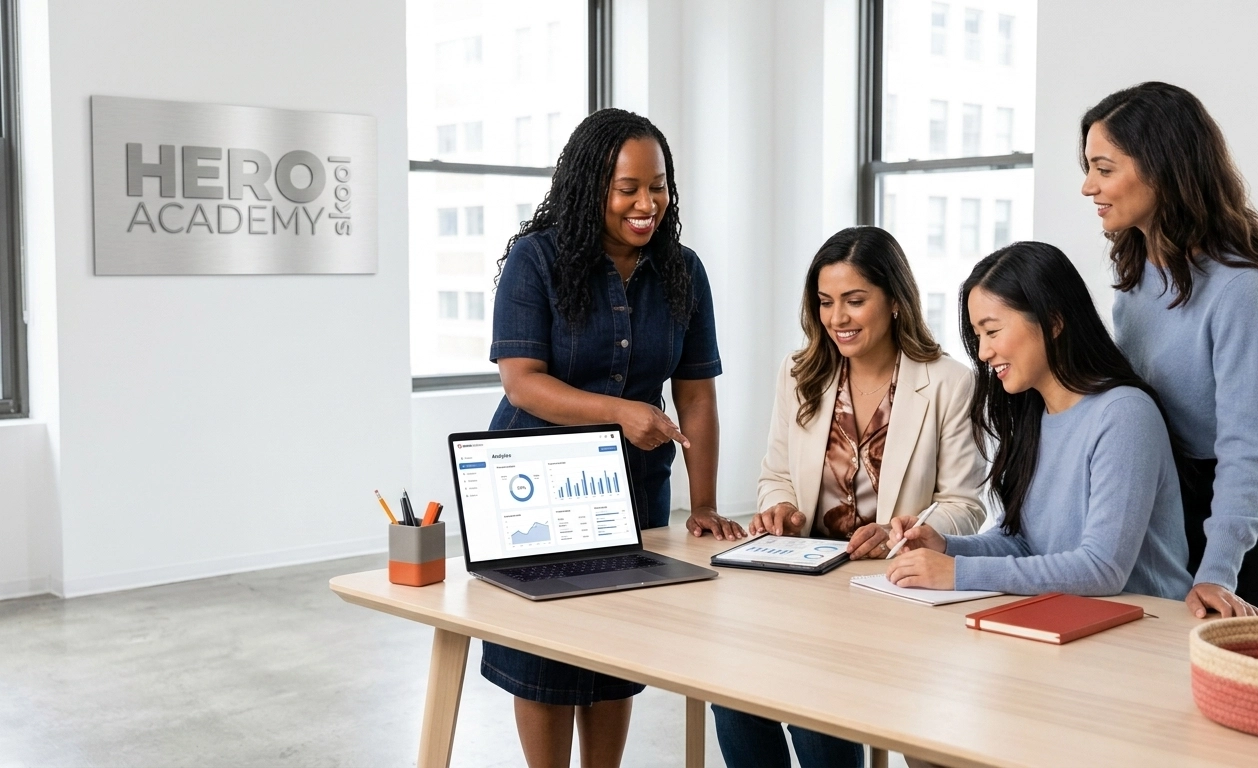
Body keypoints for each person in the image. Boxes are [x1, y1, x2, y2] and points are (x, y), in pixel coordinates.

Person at [485, 108, 743, 768]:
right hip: (533, 485)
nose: (645, 203)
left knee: (612, 657)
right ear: (588, 186)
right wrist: (621, 412)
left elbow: (696, 393)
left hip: (634, 490)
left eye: (656, 186)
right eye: (627, 187)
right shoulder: (535, 260)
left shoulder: (683, 270)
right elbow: (523, 383)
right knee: (542, 656)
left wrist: (705, 502)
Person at [713, 226, 986, 768]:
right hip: (805, 586)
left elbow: (966, 504)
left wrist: (901, 530)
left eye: (855, 301)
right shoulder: (801, 375)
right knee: (734, 696)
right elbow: (776, 474)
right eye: (825, 302)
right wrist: (782, 509)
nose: (837, 318)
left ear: (895, 301)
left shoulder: (949, 382)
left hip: (892, 590)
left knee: (820, 722)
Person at [1079, 82, 1258, 618]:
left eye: (1104, 169)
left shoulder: (1239, 287)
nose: (1088, 187)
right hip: (1169, 490)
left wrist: (1218, 570)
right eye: (1088, 168)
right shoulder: (1135, 269)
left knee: (1232, 678)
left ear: (1162, 167)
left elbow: (1249, 450)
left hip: (1234, 501)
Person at [886, 241, 1192, 606]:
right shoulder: (1034, 415)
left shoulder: (1125, 414)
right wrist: (947, 548)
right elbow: (1022, 542)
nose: (983, 353)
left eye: (993, 331)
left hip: (1146, 628)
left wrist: (959, 574)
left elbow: (1103, 568)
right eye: (978, 336)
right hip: (1070, 617)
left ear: (1053, 322)